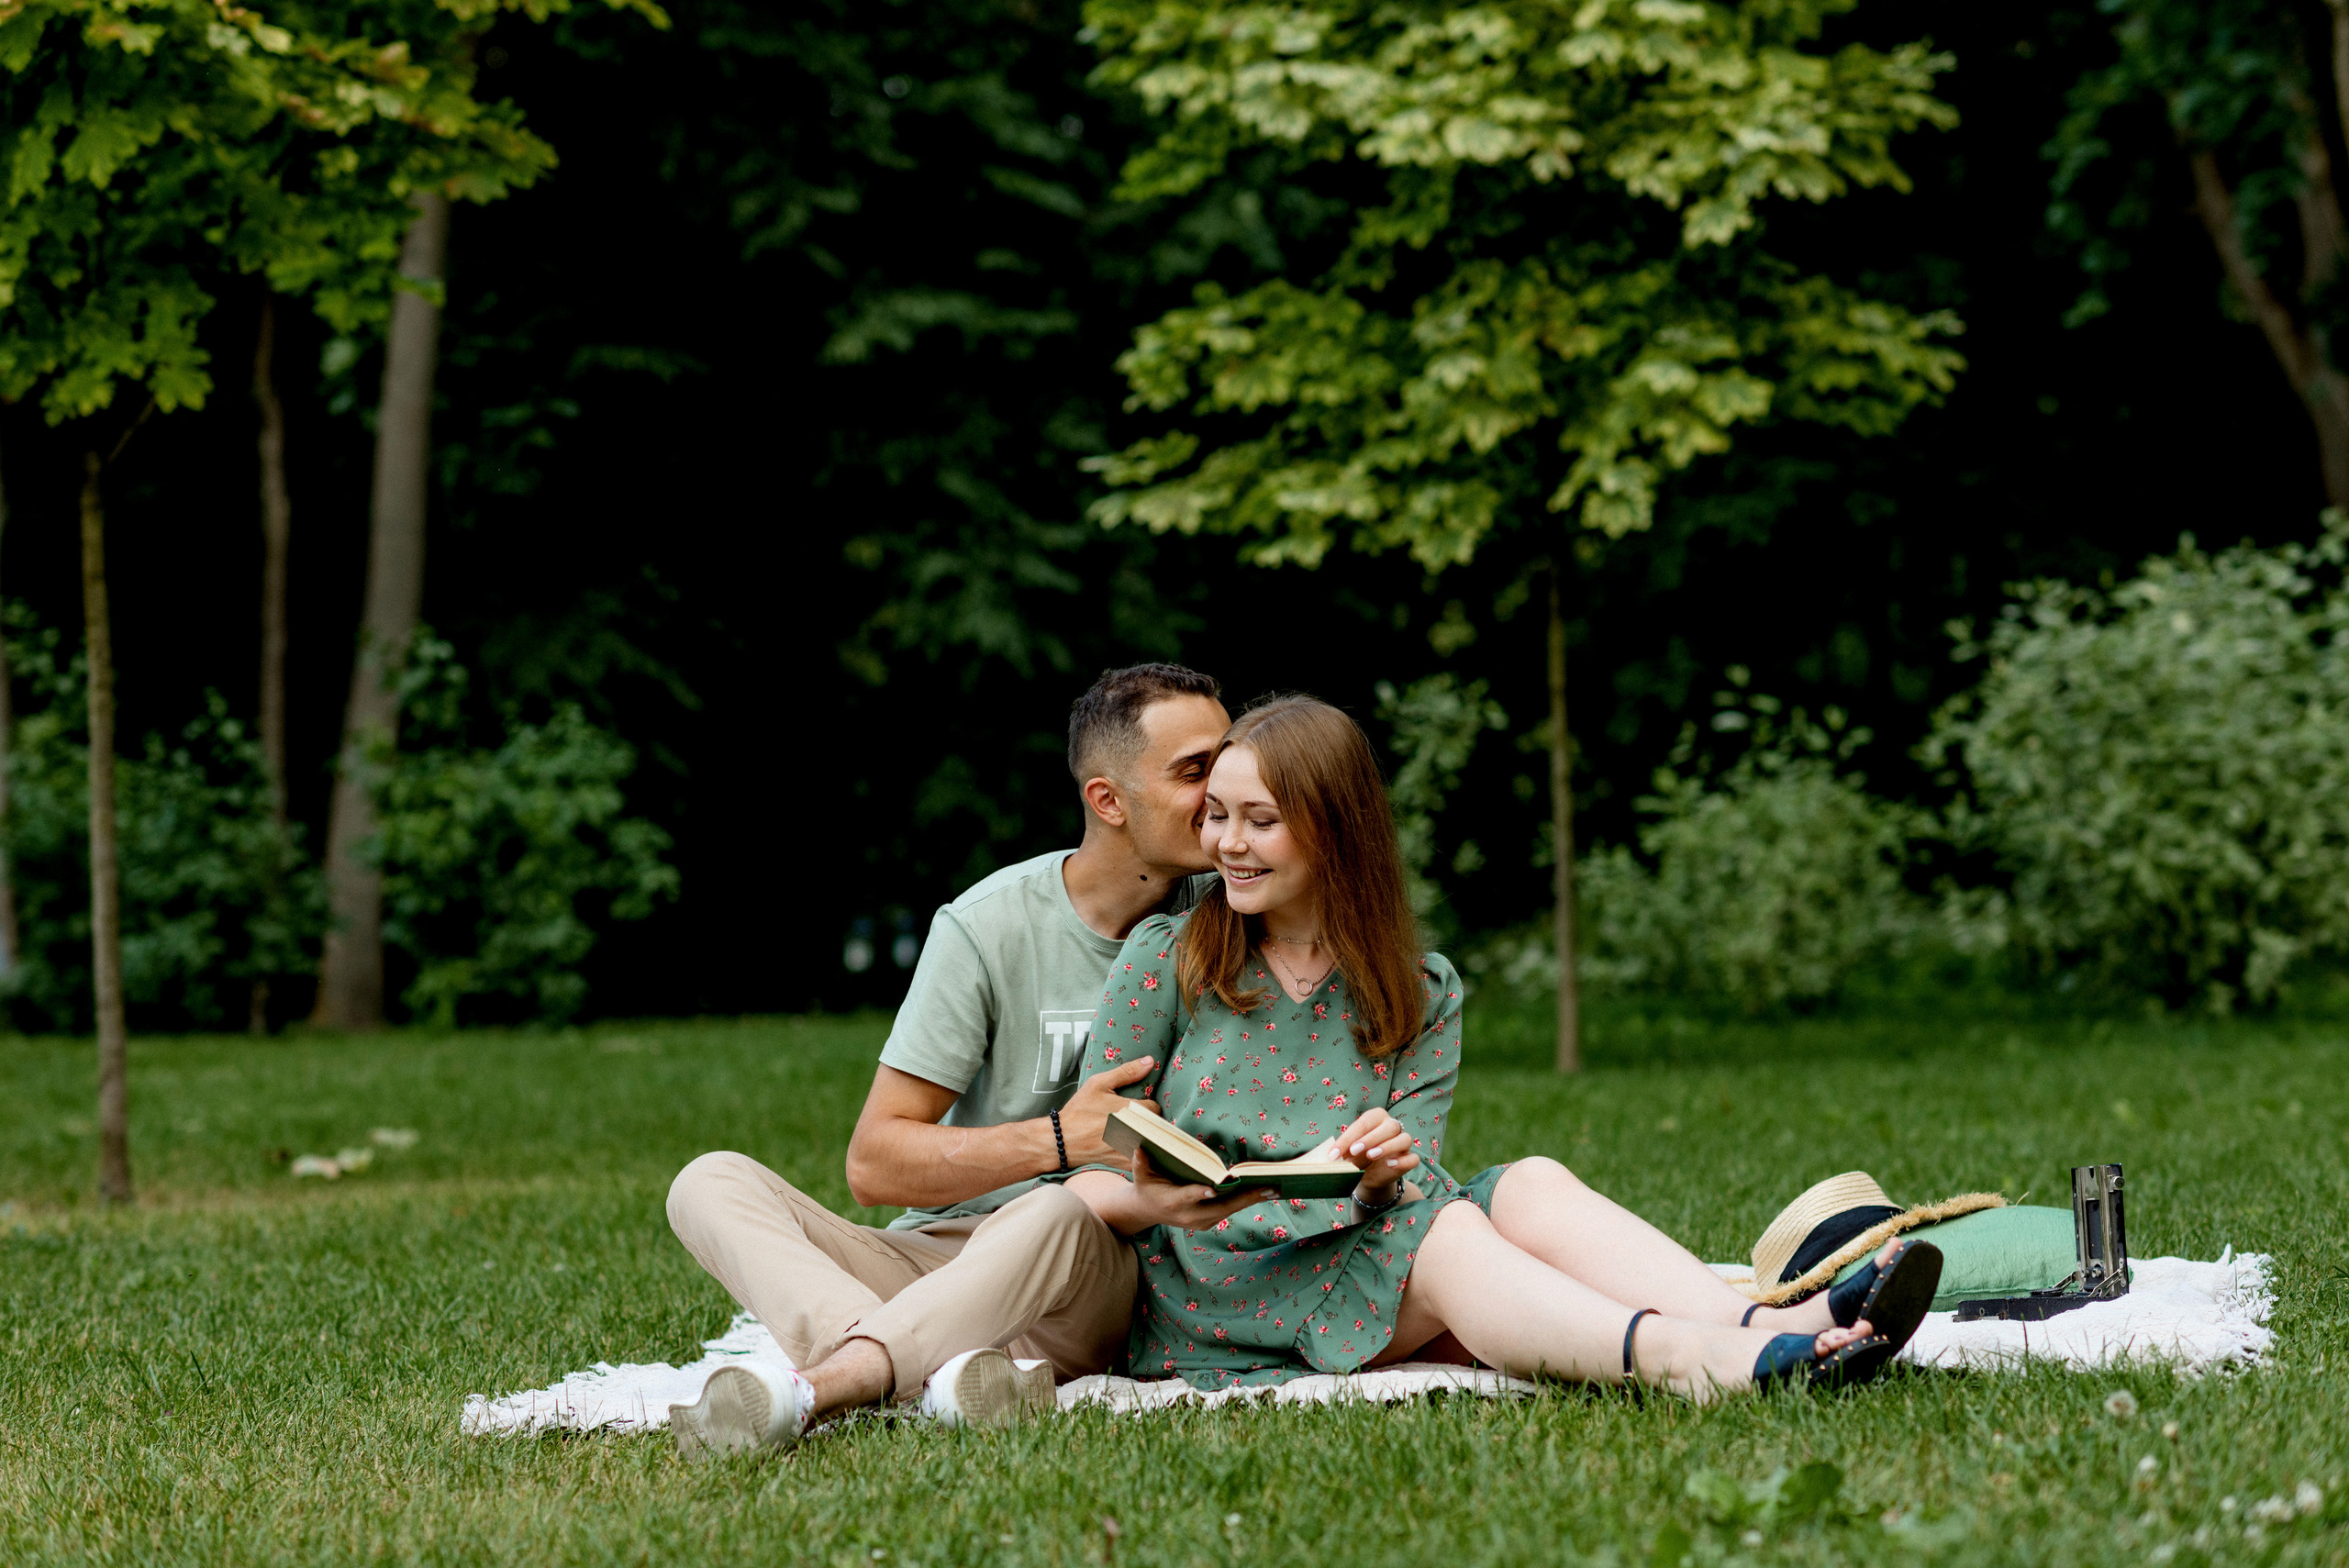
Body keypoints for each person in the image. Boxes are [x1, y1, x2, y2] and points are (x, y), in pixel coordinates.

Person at [1060, 695, 1941, 1398]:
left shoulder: (1417, 986)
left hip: (1353, 1247)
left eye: (1260, 820)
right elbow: (1088, 1164)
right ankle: (1688, 1360)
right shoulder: (1168, 960)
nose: (1228, 845)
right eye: (1217, 815)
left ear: (1334, 829)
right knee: (1443, 1235)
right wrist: (1169, 1194)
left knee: (1529, 1182)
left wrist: (1375, 1169)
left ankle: (1768, 1325)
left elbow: (1406, 1185)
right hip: (1212, 1287)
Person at [663, 663, 1273, 1457]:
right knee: (707, 1181)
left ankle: (844, 1379)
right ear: (1109, 801)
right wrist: (1059, 1139)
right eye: (1196, 771)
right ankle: (939, 1371)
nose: (1222, 788)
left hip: (1096, 1274)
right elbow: (875, 1163)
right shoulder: (987, 926)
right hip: (947, 1254)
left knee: (1057, 1209)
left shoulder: (1236, 913)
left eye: (1226, 760)